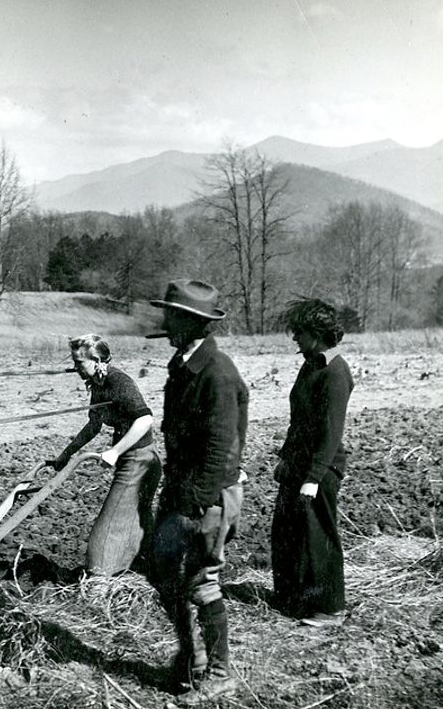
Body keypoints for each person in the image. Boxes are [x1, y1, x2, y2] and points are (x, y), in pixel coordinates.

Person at [147, 279, 248, 706]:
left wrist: (198, 503)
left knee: (202, 581)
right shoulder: (184, 363)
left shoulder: (217, 372)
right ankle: (195, 658)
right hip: (184, 490)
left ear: (191, 322)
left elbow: (221, 444)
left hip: (208, 495)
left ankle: (220, 672)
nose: (165, 322)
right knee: (163, 572)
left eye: (172, 315)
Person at [46, 334, 162, 577]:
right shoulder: (99, 384)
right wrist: (65, 455)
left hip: (139, 460)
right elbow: (93, 426)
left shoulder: (118, 381)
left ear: (97, 360)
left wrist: (114, 451)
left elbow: (145, 418)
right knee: (137, 520)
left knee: (108, 525)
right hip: (135, 459)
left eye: (79, 363)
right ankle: (149, 568)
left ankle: (98, 581)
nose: (75, 368)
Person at [271, 298, 354, 628]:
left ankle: (330, 608)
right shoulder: (312, 365)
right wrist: (285, 459)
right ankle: (294, 598)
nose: (294, 338)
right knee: (288, 531)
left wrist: (313, 476)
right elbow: (299, 421)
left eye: (299, 332)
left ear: (317, 333)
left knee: (318, 535)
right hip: (299, 464)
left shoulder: (334, 372)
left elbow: (330, 433)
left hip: (321, 467)